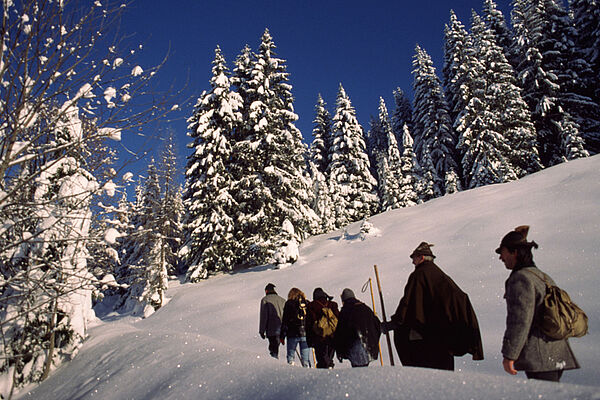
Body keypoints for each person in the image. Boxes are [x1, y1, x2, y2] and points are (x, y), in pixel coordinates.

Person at [497, 225, 579, 382]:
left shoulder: (520, 279)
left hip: (540, 359)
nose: (501, 257)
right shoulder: (542, 276)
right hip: (557, 353)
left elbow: (520, 321)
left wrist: (509, 355)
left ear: (514, 252)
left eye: (502, 252)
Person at [384, 242, 483, 371]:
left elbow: (407, 303)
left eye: (414, 258)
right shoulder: (441, 276)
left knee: (422, 372)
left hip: (424, 339)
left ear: (422, 257)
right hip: (443, 338)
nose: (413, 262)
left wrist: (395, 323)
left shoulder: (419, 275)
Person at [334, 288, 381, 368]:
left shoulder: (345, 311)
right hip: (368, 348)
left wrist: (340, 352)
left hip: (354, 348)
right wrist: (373, 342)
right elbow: (377, 326)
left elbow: (340, 333)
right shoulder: (366, 308)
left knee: (358, 371)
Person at [306, 287, 339, 369]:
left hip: (319, 337)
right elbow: (338, 320)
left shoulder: (311, 306)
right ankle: (330, 367)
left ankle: (324, 374)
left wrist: (309, 341)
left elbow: (309, 324)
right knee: (329, 357)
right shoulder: (333, 305)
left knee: (321, 360)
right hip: (332, 336)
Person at [280, 288, 311, 367]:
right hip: (305, 334)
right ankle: (307, 371)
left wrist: (282, 336)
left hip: (292, 334)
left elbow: (285, 321)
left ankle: (291, 371)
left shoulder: (289, 304)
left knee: (291, 356)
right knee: (305, 358)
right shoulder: (307, 303)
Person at [259, 283, 286, 359]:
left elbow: (264, 316)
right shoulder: (282, 300)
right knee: (277, 346)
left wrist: (261, 330)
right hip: (282, 329)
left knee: (273, 348)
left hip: (271, 329)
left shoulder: (265, 300)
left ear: (266, 291)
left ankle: (275, 363)